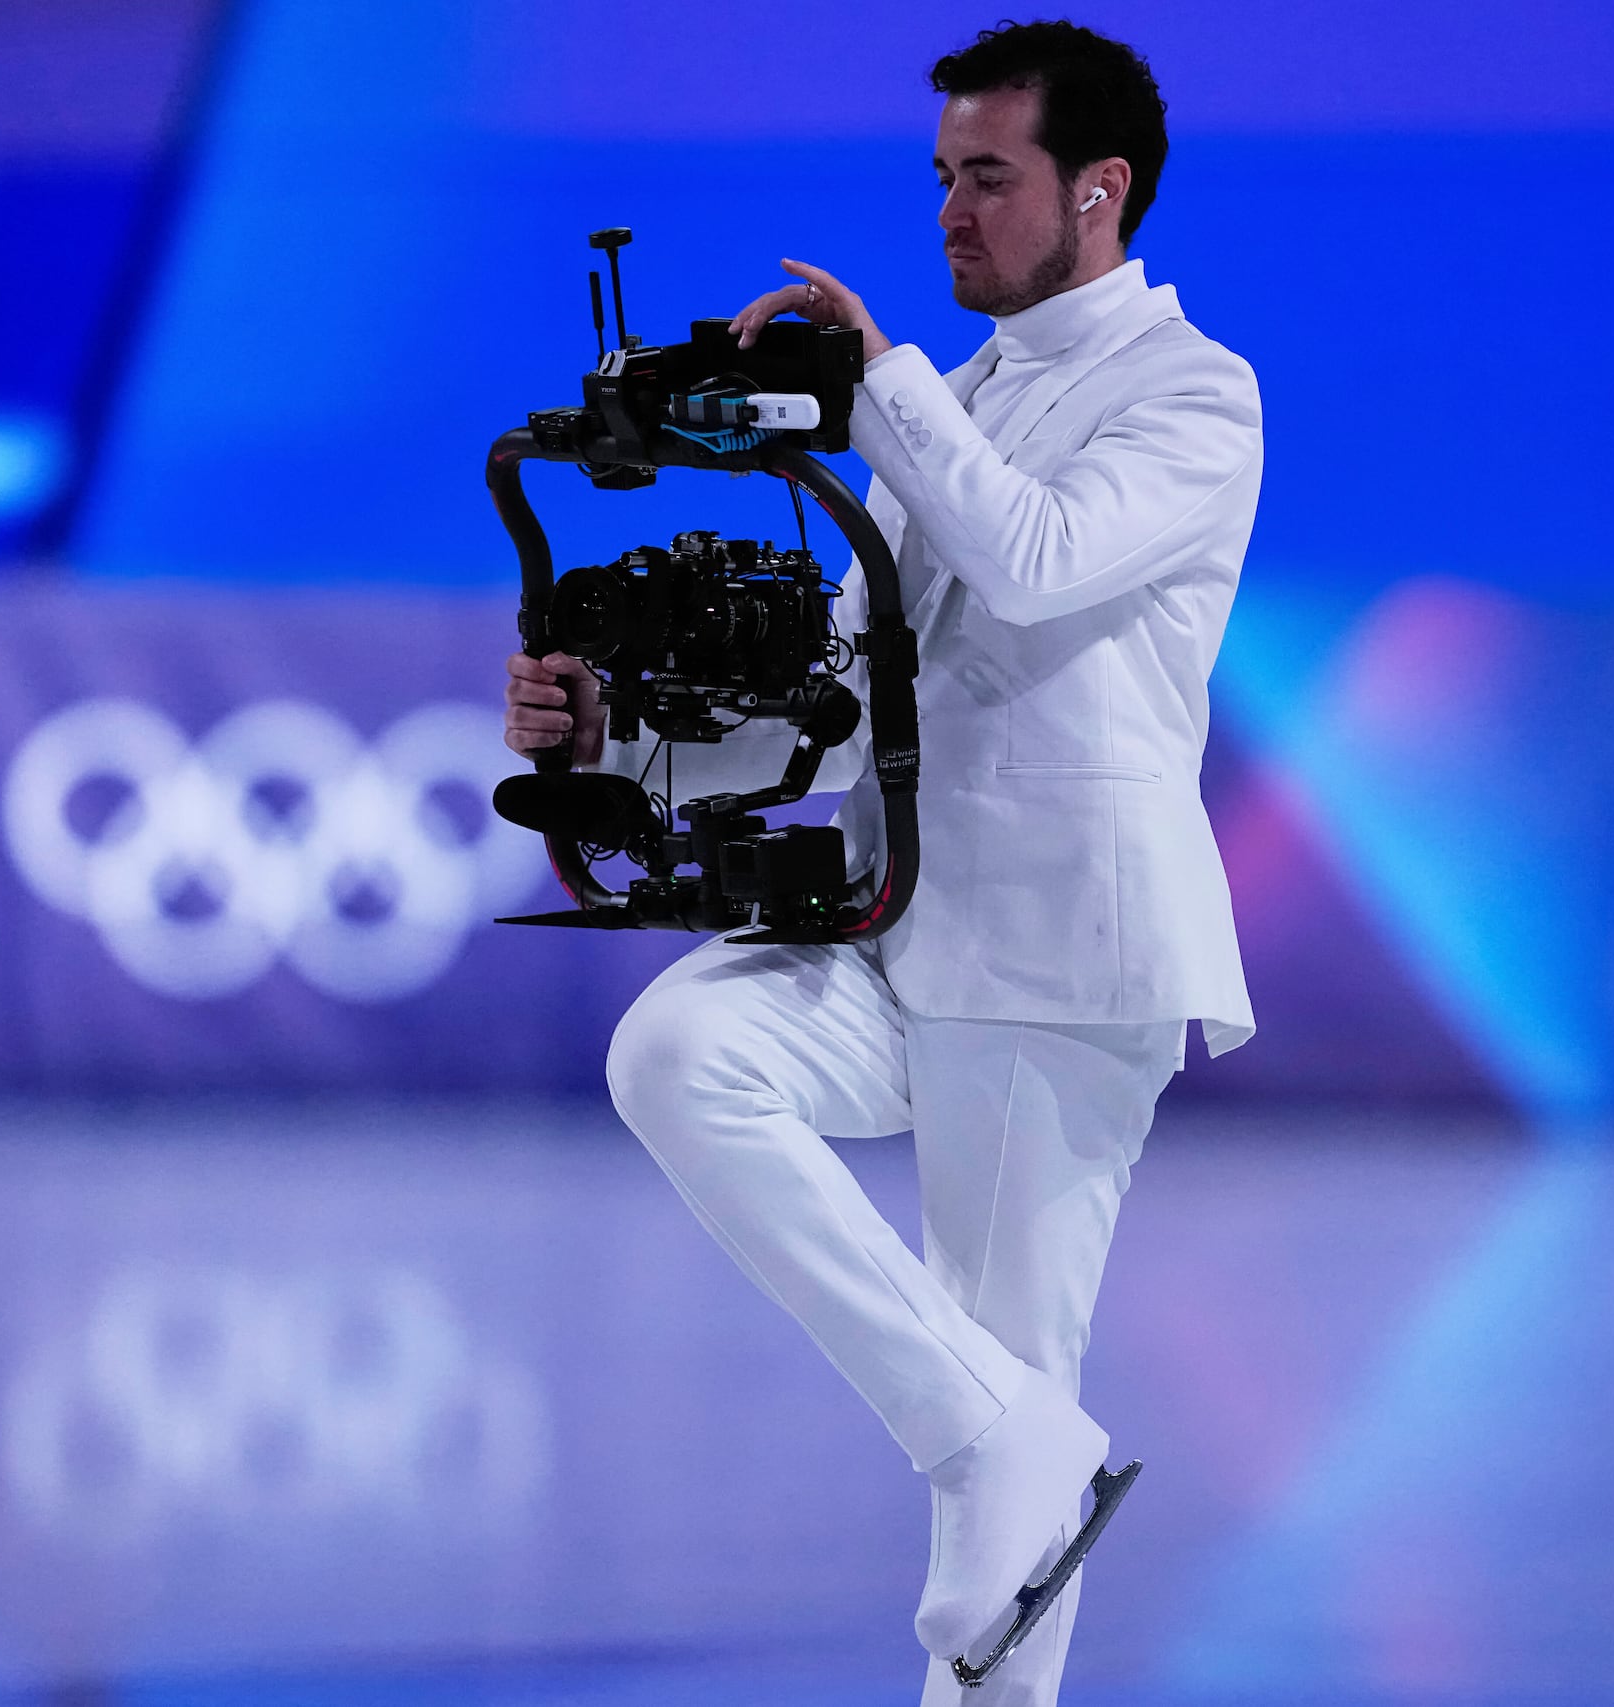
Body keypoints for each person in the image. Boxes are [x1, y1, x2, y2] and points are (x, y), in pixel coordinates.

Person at [504, 21, 1262, 1704]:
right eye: (941, 177)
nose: (950, 212)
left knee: (1005, 1412)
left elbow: (1039, 558)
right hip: (893, 917)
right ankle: (1003, 1437)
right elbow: (847, 701)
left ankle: (1006, 1455)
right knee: (680, 1054)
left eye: (988, 177)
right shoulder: (953, 406)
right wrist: (614, 739)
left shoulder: (1195, 392)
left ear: (1100, 190)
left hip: (1064, 954)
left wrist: (881, 383)